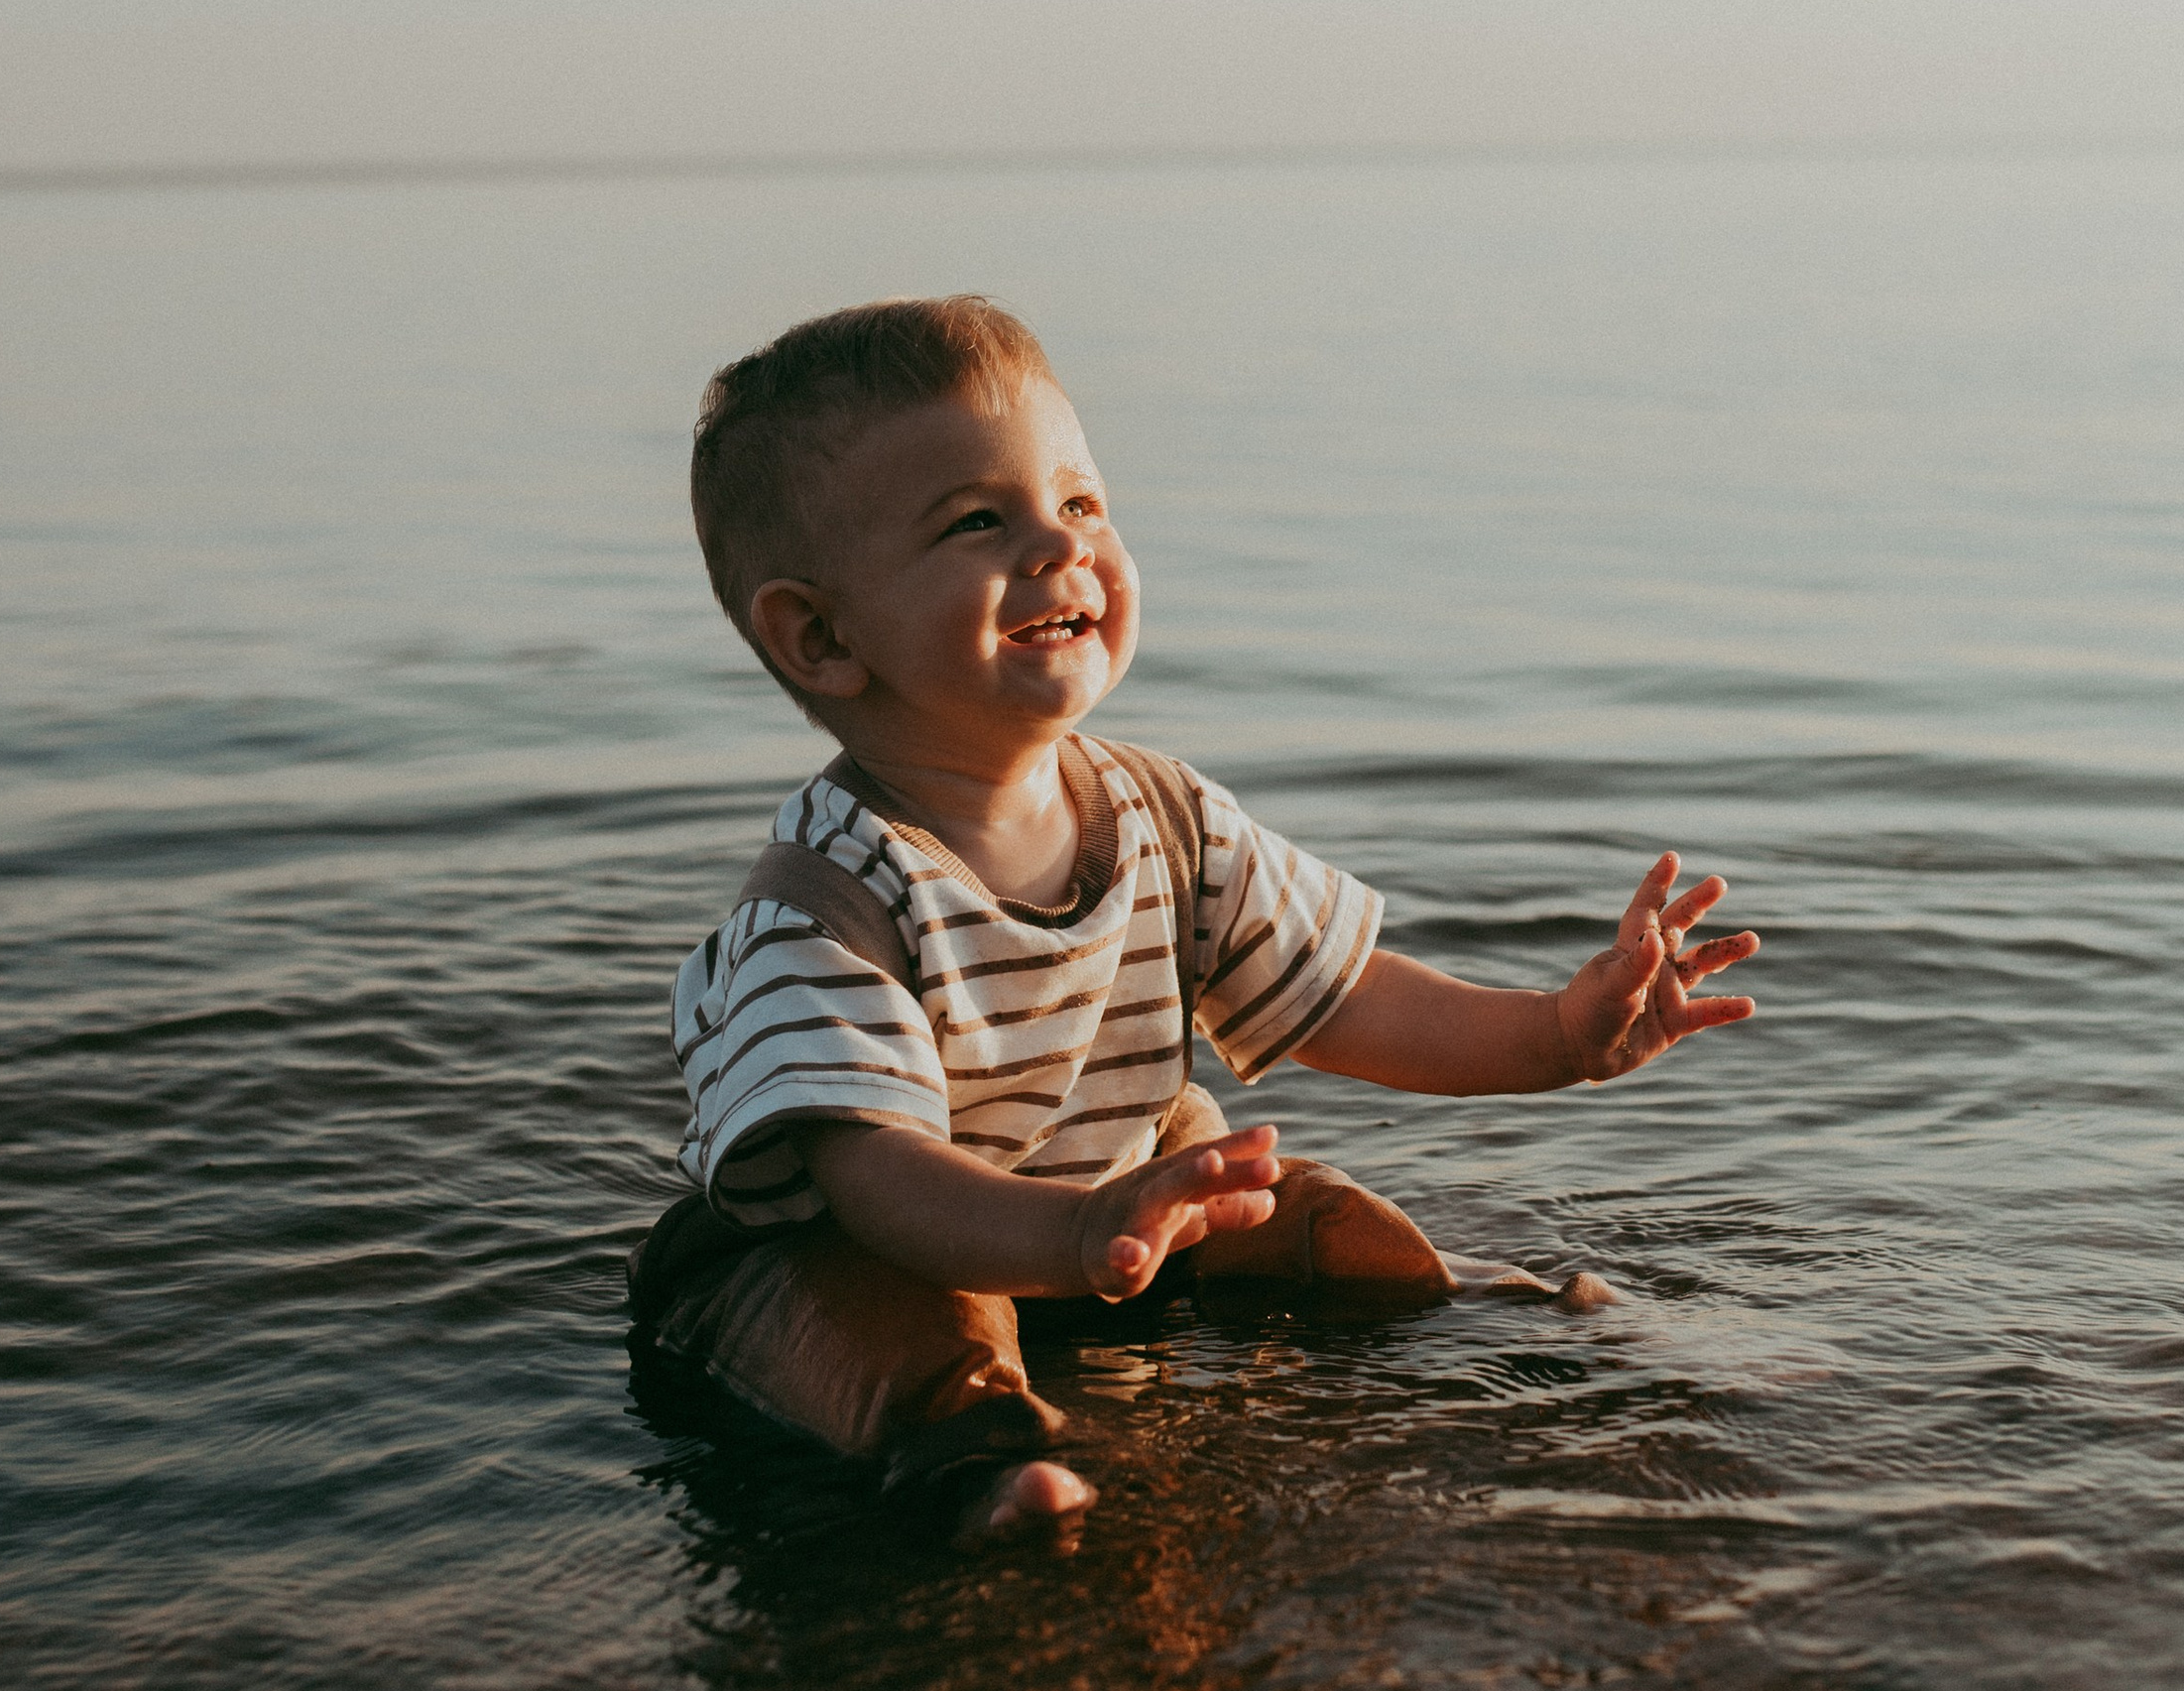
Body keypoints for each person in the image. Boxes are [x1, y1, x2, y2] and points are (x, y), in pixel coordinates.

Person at [631, 296, 1758, 1547]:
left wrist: (1556, 1034)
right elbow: (875, 1178)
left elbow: (1347, 1000)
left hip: (1119, 1215)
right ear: (823, 637)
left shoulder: (1162, 818)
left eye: (1081, 502)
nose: (1061, 552)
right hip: (866, 1253)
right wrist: (1065, 1233)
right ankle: (983, 1470)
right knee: (902, 1338)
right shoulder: (823, 912)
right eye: (976, 522)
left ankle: (1488, 1318)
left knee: (1321, 1220)